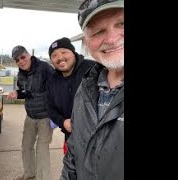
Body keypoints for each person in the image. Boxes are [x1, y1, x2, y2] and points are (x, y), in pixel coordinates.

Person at [61, 0, 124, 179]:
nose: (112, 39)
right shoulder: (87, 86)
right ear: (87, 42)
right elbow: (73, 152)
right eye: (98, 31)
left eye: (122, 23)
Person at [7, 45, 55, 180]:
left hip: (45, 117)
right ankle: (29, 173)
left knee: (42, 149)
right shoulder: (20, 74)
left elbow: (56, 88)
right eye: (17, 60)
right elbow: (25, 92)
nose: (21, 61)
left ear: (28, 54)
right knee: (26, 146)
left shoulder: (45, 68)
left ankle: (43, 177)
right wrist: (17, 93)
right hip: (30, 116)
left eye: (22, 57)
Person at [46, 37, 94, 155]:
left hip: (98, 140)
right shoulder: (52, 80)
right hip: (70, 138)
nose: (60, 57)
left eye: (63, 52)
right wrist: (63, 122)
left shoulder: (94, 69)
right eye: (54, 55)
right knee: (71, 171)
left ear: (73, 52)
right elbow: (49, 108)